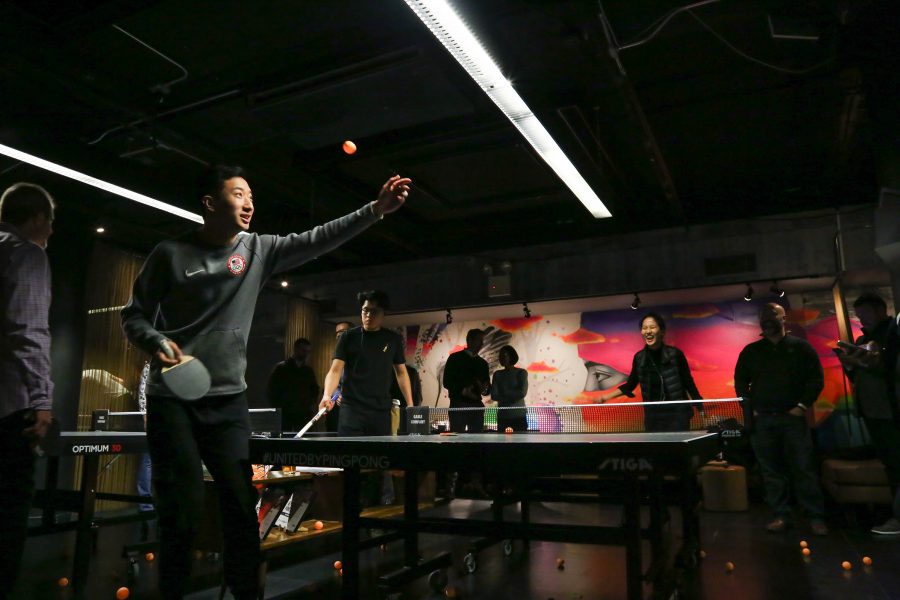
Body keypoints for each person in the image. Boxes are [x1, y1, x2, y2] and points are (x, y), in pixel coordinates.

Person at [121, 165, 410, 600]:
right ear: (211, 203)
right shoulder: (169, 254)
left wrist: (375, 210)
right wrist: (157, 340)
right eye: (239, 194)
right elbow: (133, 316)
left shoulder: (258, 250)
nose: (250, 203)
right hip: (172, 400)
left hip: (227, 403)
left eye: (251, 195)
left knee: (240, 507)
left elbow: (319, 237)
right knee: (179, 511)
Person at [0, 182, 55, 600]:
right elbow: (28, 330)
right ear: (37, 218)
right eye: (49, 222)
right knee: (7, 515)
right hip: (8, 409)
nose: (51, 232)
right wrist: (41, 400)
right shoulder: (27, 254)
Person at [734, 302, 828, 535]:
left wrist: (801, 406)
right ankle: (781, 515)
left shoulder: (802, 348)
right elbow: (739, 382)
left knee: (804, 468)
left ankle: (815, 517)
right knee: (770, 472)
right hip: (763, 421)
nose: (767, 318)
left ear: (784, 318)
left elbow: (815, 379)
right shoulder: (751, 352)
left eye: (772, 314)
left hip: (793, 419)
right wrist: (751, 409)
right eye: (763, 314)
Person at [836, 293, 900, 535]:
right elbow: (860, 377)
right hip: (873, 411)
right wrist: (851, 364)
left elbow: (889, 369)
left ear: (881, 310)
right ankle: (895, 513)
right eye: (859, 315)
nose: (863, 319)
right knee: (890, 464)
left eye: (866, 314)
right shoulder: (864, 338)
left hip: (890, 410)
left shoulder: (892, 335)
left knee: (896, 464)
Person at [319, 291, 413, 434]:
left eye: (374, 311)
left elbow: (401, 372)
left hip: (380, 410)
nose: (368, 315)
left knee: (379, 455)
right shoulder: (348, 337)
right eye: (365, 310)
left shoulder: (392, 339)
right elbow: (335, 370)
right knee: (349, 454)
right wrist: (327, 395)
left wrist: (410, 404)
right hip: (351, 409)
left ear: (383, 314)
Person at [599, 312, 703, 432]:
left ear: (662, 331)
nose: (648, 331)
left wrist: (699, 404)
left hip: (677, 415)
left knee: (678, 450)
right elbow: (630, 385)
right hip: (653, 417)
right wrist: (605, 397)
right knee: (656, 450)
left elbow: (688, 381)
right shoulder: (639, 358)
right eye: (644, 328)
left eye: (652, 327)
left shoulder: (675, 354)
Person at [266, 337, 320, 432]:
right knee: (285, 438)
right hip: (285, 412)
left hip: (303, 413)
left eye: (308, 351)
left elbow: (315, 389)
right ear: (296, 349)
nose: (306, 354)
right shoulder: (281, 368)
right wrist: (277, 407)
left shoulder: (308, 371)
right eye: (303, 350)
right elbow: (272, 390)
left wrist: (311, 404)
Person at [443, 329, 490, 433]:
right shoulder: (454, 358)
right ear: (470, 340)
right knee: (457, 439)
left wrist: (486, 389)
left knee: (477, 441)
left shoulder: (483, 363)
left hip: (475, 406)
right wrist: (463, 391)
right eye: (480, 340)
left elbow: (487, 387)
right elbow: (447, 382)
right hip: (458, 405)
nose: (482, 344)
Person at [491, 345, 529, 432]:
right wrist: (512, 395)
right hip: (503, 415)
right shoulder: (497, 374)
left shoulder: (521, 372)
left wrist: (504, 393)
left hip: (519, 415)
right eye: (500, 356)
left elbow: (522, 393)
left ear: (511, 356)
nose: (501, 358)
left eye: (504, 355)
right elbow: (494, 395)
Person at [326, 321, 353, 432]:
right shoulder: (338, 355)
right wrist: (337, 395)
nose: (338, 335)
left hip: (356, 409)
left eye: (342, 332)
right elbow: (336, 381)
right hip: (338, 410)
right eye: (337, 333)